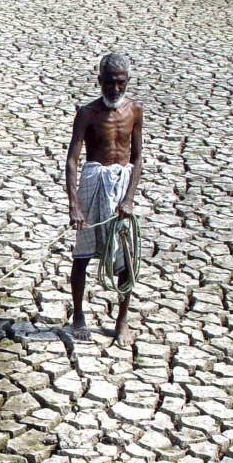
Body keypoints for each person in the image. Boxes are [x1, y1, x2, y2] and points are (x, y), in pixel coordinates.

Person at [64, 53, 143, 346]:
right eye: (109, 82)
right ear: (99, 82)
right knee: (82, 255)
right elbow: (72, 160)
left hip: (121, 185)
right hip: (92, 181)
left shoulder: (135, 111)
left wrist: (129, 199)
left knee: (125, 256)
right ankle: (79, 316)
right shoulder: (87, 113)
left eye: (120, 83)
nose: (115, 89)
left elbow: (137, 158)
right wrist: (74, 204)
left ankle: (122, 321)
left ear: (127, 82)